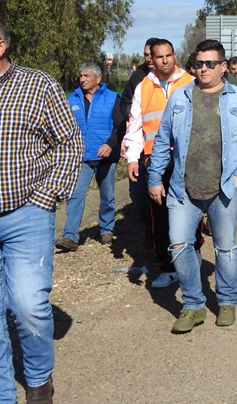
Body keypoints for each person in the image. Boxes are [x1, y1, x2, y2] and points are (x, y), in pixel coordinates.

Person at [0, 12, 83, 403]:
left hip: (26, 216)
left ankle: (38, 381)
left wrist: (46, 197)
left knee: (28, 306)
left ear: (0, 47)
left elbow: (69, 143)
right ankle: (0, 396)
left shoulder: (37, 86)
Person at [148, 40, 237, 333]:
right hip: (182, 188)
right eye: (199, 63)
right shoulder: (179, 98)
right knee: (178, 244)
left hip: (225, 188)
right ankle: (193, 304)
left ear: (223, 67)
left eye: (210, 64)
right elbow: (163, 142)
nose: (204, 69)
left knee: (225, 249)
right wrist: (154, 178)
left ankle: (226, 301)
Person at [124, 38, 200, 288]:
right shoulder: (144, 87)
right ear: (151, 59)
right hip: (155, 161)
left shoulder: (191, 82)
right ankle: (167, 268)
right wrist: (132, 158)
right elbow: (135, 125)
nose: (165, 60)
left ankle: (193, 258)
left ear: (175, 55)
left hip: (188, 159)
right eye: (159, 57)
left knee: (191, 212)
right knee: (160, 214)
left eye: (169, 55)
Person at [56, 62, 125, 251]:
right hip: (82, 157)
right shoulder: (73, 98)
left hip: (106, 156)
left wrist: (110, 144)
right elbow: (66, 126)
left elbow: (121, 125)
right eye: (81, 76)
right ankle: (70, 236)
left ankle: (106, 230)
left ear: (98, 79)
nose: (82, 79)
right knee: (76, 195)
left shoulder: (112, 98)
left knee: (108, 195)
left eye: (87, 76)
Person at [121, 37, 159, 240]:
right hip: (139, 145)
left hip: (161, 149)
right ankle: (149, 228)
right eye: (146, 55)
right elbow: (123, 104)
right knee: (138, 192)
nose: (150, 58)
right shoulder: (137, 77)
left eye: (152, 54)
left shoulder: (178, 79)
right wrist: (134, 114)